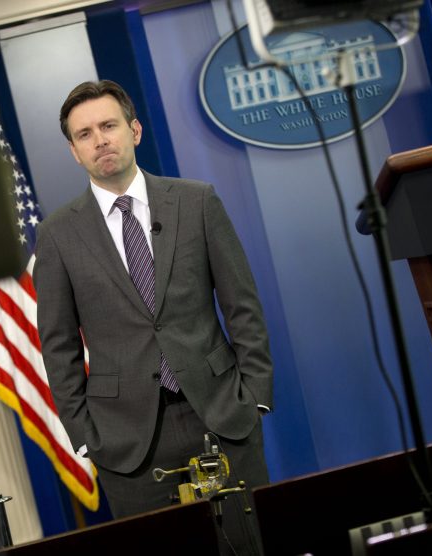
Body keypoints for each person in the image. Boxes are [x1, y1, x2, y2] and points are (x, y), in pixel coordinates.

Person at [33, 80, 273, 556]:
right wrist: (85, 434)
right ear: (74, 151)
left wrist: (256, 397)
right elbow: (56, 344)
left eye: (108, 125)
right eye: (85, 134)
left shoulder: (196, 201)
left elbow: (241, 305)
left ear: (134, 130)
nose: (100, 139)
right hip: (126, 440)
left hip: (221, 412)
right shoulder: (58, 234)